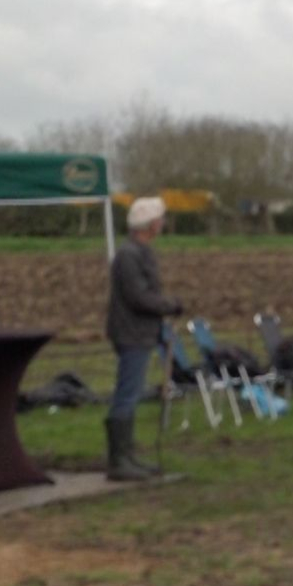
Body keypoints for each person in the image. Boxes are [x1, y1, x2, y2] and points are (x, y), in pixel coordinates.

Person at [106, 196, 182, 482]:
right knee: (127, 394)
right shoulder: (129, 255)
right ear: (150, 224)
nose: (163, 223)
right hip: (131, 333)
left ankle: (128, 456)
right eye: (160, 219)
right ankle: (118, 461)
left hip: (141, 331)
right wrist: (169, 305)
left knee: (132, 393)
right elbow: (138, 297)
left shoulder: (139, 252)